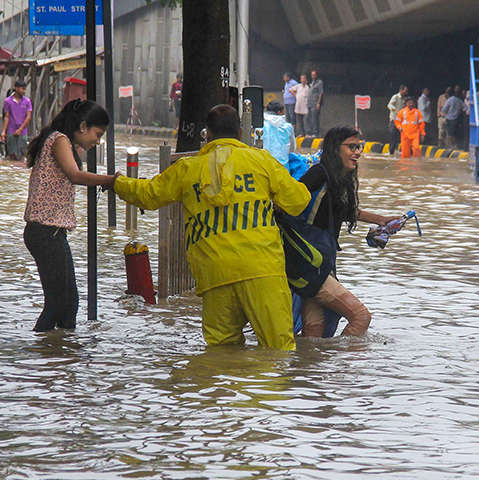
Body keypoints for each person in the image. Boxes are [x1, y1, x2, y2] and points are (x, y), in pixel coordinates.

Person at [113, 104, 312, 350]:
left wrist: (117, 182)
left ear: (207, 134)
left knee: (221, 352)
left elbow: (148, 194)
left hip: (215, 275)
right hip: (262, 270)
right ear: (240, 133)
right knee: (278, 350)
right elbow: (299, 201)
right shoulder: (262, 162)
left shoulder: (187, 169)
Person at [279, 126, 400, 338]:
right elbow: (286, 202)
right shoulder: (318, 174)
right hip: (309, 264)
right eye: (351, 147)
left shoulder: (339, 180)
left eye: (359, 147)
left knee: (314, 331)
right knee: (361, 316)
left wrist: (382, 220)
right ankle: (347, 368)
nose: (358, 152)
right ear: (335, 148)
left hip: (319, 262)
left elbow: (345, 212)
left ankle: (309, 368)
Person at [23, 99, 115, 331]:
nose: (98, 141)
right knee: (56, 304)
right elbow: (75, 175)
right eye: (98, 134)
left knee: (69, 303)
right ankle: (43, 355)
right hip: (44, 232)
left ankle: (63, 355)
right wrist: (111, 180)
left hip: (52, 233)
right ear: (83, 126)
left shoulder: (60, 140)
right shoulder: (59, 140)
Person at [3, 80, 33, 161]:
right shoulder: (7, 101)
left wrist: (20, 129)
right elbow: (7, 117)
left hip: (23, 132)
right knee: (12, 155)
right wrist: (3, 132)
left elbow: (28, 117)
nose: (24, 91)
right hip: (11, 131)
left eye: (24, 89)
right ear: (16, 88)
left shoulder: (27, 101)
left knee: (22, 156)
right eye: (22, 89)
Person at [262, 100, 296, 167]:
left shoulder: (261, 126)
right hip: (283, 164)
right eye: (283, 111)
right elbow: (292, 147)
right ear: (279, 112)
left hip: (265, 163)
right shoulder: (287, 127)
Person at [387, 84, 408, 155]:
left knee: (402, 136)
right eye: (405, 91)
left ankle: (401, 151)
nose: (406, 92)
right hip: (394, 120)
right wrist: (395, 110)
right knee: (393, 137)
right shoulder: (395, 97)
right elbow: (389, 105)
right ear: (401, 90)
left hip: (401, 121)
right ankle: (391, 152)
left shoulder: (405, 99)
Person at [306, 69, 324, 137]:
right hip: (310, 103)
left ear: (316, 75)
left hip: (315, 103)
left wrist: (318, 103)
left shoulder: (319, 82)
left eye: (314, 75)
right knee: (309, 118)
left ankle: (315, 132)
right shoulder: (312, 82)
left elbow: (321, 93)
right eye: (312, 75)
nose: (312, 76)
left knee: (314, 118)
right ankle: (310, 132)